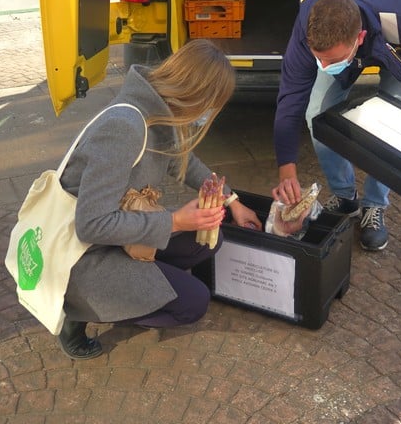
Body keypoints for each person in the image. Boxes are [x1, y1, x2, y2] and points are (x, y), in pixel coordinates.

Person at [58, 39, 262, 359]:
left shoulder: (156, 108)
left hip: (118, 234)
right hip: (83, 255)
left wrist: (231, 200)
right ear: (195, 95)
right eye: (211, 105)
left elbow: (182, 160)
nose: (208, 114)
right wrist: (176, 221)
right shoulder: (124, 127)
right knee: (193, 303)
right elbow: (91, 225)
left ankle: (141, 285)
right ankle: (78, 311)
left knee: (207, 240)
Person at [272, 0, 401, 251]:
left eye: (331, 60)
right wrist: (286, 170)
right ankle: (345, 197)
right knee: (317, 112)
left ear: (360, 38)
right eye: (319, 58)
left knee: (394, 121)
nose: (322, 65)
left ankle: (374, 206)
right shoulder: (308, 25)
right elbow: (290, 101)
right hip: (360, 15)